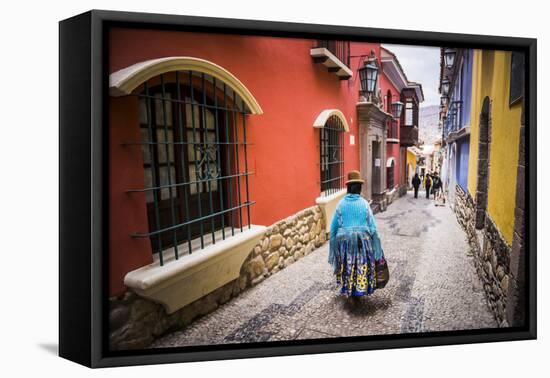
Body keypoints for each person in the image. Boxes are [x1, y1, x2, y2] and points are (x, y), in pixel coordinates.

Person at [328, 170, 387, 298]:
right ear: (359, 188)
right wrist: (377, 248)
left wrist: (333, 250)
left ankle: (349, 290)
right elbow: (373, 229)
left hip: (345, 244)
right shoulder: (365, 204)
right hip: (363, 243)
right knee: (361, 265)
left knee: (348, 266)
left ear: (348, 188)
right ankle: (359, 290)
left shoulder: (340, 205)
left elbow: (333, 229)